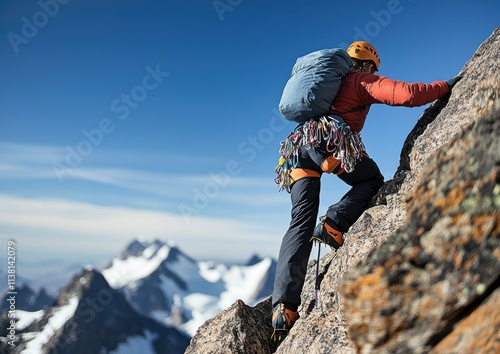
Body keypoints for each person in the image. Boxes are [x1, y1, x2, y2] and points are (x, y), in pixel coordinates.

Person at [271, 41, 462, 348]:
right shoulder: (362, 81)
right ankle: (334, 223)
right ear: (370, 65)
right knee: (371, 180)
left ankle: (284, 308)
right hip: (329, 143)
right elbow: (408, 95)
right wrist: (445, 86)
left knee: (299, 224)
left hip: (297, 150)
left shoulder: (327, 88)